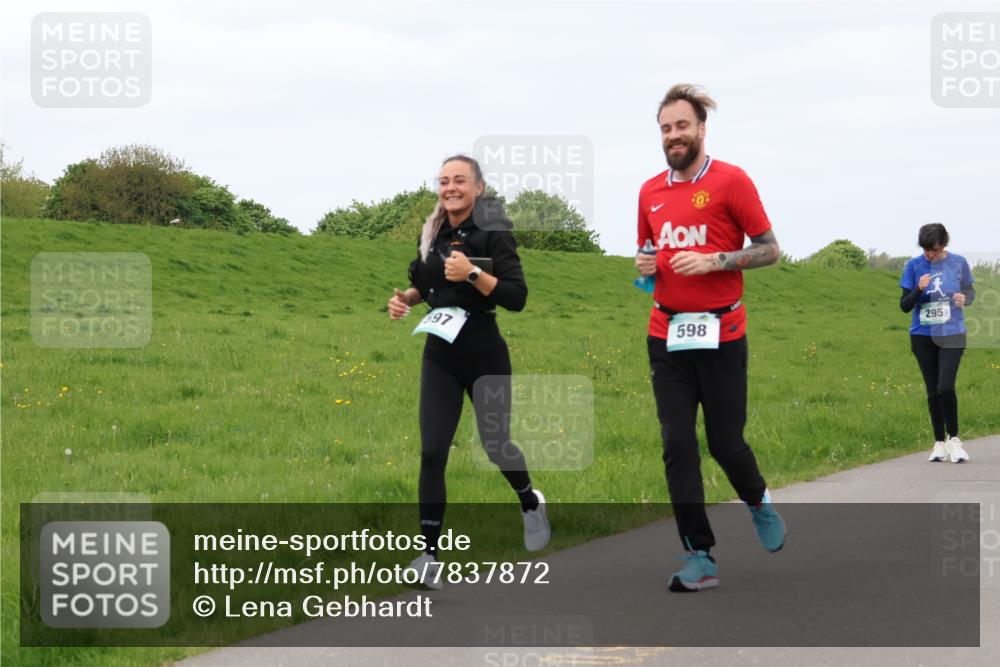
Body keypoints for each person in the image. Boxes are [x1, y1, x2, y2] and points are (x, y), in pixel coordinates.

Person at [634, 83, 786, 592]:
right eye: (665, 128)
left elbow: (770, 250)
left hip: (722, 332)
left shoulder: (731, 182)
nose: (673, 135)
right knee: (677, 443)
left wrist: (717, 259)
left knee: (725, 443)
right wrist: (645, 266)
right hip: (667, 333)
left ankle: (757, 500)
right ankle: (698, 554)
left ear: (701, 129)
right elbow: (649, 256)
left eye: (681, 126)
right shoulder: (649, 191)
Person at [387, 155, 550, 589]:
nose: (450, 187)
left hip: (484, 352)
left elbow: (516, 297)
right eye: (443, 181)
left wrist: (474, 272)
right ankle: (429, 556)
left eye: (459, 180)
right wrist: (406, 298)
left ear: (478, 187)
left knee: (497, 445)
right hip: (440, 352)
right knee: (432, 452)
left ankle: (529, 501)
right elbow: (431, 283)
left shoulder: (494, 229)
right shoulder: (434, 229)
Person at [899, 223, 975, 463]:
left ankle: (954, 440)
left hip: (952, 333)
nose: (929, 254)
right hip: (922, 335)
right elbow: (905, 305)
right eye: (925, 249)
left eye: (934, 249)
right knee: (932, 391)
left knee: (945, 387)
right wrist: (919, 290)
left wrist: (966, 298)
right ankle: (939, 443)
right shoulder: (913, 266)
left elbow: (970, 292)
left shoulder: (959, 263)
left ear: (944, 244)